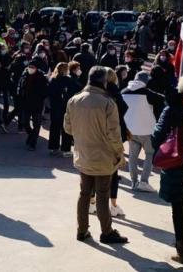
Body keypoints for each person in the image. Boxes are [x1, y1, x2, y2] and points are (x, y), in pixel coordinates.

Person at [64, 66, 128, 244]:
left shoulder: (74, 100)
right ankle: (106, 232)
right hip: (103, 155)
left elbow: (68, 128)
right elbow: (114, 134)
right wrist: (119, 153)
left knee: (84, 193)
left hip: (83, 153)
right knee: (102, 194)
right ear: (104, 82)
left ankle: (82, 230)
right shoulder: (107, 103)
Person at [152, 89, 183, 263]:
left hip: (175, 163)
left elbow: (157, 136)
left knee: (178, 209)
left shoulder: (170, 109)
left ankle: (182, 249)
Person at [121, 71, 162, 193]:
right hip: (146, 129)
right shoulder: (147, 93)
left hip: (130, 130)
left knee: (133, 157)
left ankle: (134, 182)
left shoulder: (123, 92)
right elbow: (162, 100)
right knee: (149, 154)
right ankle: (144, 182)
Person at [105, 68, 129, 216]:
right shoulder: (114, 93)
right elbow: (123, 108)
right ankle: (113, 205)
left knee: (93, 173)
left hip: (95, 136)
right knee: (113, 172)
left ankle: (92, 202)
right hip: (113, 135)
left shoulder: (91, 92)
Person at [18, 62, 49, 150]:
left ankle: (33, 143)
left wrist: (40, 97)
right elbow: (20, 85)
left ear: (36, 68)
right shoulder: (24, 74)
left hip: (37, 104)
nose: (30, 68)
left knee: (36, 124)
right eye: (29, 67)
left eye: (32, 67)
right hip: (26, 103)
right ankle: (32, 135)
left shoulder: (41, 77)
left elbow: (45, 90)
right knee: (25, 122)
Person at [48, 63, 75, 157]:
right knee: (66, 129)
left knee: (54, 127)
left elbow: (50, 93)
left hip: (55, 107)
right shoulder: (68, 79)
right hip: (65, 107)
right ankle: (66, 149)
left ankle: (53, 148)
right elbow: (73, 92)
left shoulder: (52, 79)